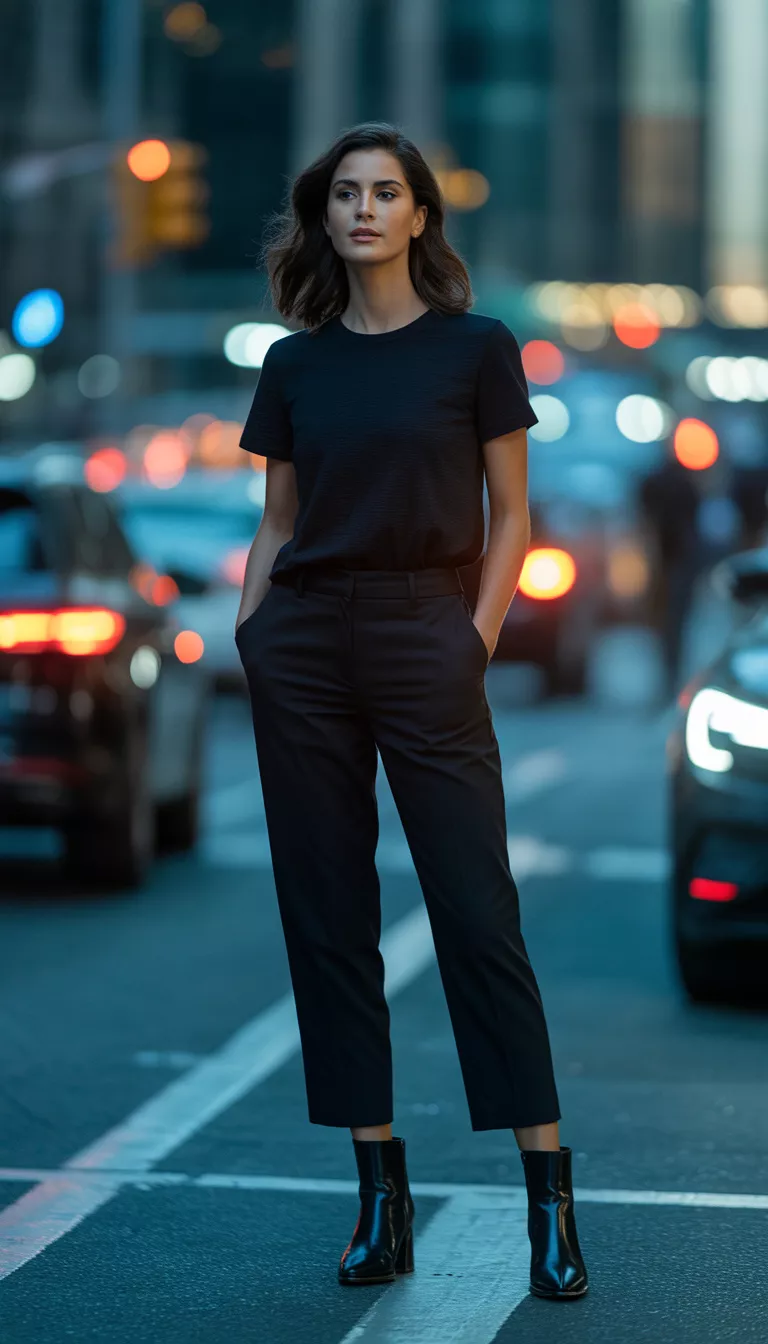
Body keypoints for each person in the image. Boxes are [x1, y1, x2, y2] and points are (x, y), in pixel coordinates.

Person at [235, 122, 588, 1299]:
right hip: (303, 642)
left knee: (477, 912)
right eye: (346, 193)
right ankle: (379, 1198)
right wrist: (252, 633)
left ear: (421, 216)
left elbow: (513, 518)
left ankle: (550, 1198)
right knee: (327, 918)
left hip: (426, 632)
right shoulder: (295, 366)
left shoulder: (477, 350)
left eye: (387, 192)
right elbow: (279, 522)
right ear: (324, 215)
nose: (365, 209)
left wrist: (471, 641)